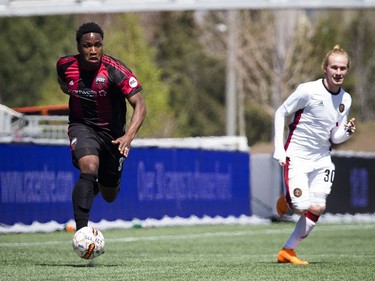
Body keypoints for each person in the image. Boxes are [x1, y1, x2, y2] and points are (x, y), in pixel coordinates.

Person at [56, 22, 146, 231]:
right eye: (88, 45)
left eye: (98, 44)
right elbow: (63, 84)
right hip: (82, 127)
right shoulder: (64, 65)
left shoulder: (115, 71)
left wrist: (128, 137)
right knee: (88, 167)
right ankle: (82, 233)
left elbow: (140, 104)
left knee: (109, 194)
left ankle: (91, 189)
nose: (94, 50)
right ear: (79, 47)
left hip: (114, 137)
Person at [273, 45, 356, 265]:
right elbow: (281, 112)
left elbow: (334, 136)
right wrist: (278, 148)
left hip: (322, 158)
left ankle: (288, 251)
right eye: (334, 67)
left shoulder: (345, 100)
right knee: (300, 206)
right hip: (297, 156)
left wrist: (346, 132)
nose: (338, 72)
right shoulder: (308, 90)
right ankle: (288, 200)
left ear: (347, 70)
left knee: (318, 207)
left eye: (343, 68)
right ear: (325, 69)